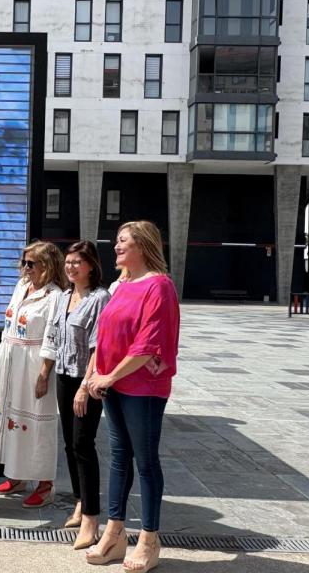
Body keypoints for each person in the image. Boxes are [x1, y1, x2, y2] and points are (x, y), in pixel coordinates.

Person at [83, 221, 180, 573]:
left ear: (142, 246)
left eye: (123, 241)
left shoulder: (159, 286)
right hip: (114, 384)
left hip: (144, 388)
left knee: (146, 461)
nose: (116, 247)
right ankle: (114, 532)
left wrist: (108, 375)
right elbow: (106, 335)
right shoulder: (121, 284)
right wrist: (95, 374)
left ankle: (150, 539)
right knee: (119, 457)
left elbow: (147, 344)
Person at [0, 240, 66, 508]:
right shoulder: (21, 287)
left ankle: (44, 483)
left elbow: (54, 336)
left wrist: (43, 373)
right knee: (9, 416)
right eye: (23, 262)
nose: (25, 268)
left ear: (48, 265)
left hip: (34, 363)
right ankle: (16, 474)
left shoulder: (54, 296)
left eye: (31, 263)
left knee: (37, 423)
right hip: (11, 360)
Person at [40, 241, 110, 549]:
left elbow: (100, 346)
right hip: (63, 376)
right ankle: (81, 502)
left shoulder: (100, 298)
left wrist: (85, 386)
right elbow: (54, 336)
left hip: (86, 380)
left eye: (77, 263)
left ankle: (92, 517)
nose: (70, 267)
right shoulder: (64, 296)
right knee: (69, 443)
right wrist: (45, 372)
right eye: (67, 262)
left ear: (91, 266)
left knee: (83, 444)